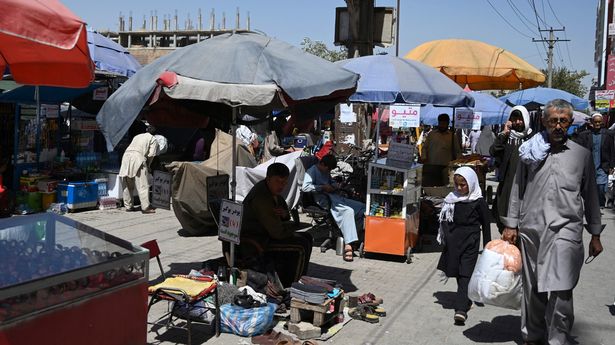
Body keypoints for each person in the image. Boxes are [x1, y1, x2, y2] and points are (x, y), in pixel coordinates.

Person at [501, 99, 604, 345]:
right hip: (532, 230)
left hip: (567, 232)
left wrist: (596, 234)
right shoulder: (530, 151)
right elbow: (518, 188)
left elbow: (591, 197)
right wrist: (511, 224)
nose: (558, 125)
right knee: (533, 289)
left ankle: (558, 339)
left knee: (562, 289)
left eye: (563, 121)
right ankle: (533, 336)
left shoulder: (582, 155)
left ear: (570, 123)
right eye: (553, 121)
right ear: (545, 122)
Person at [239, 163, 313, 287]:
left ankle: (296, 277)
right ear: (268, 179)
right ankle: (292, 285)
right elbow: (277, 233)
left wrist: (284, 215)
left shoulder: (272, 191)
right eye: (277, 181)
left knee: (307, 237)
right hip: (257, 239)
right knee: (301, 246)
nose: (281, 185)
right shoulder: (262, 196)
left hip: (268, 232)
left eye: (284, 182)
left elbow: (285, 214)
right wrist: (293, 227)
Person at [436, 167, 491, 325]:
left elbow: (486, 224)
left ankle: (460, 310)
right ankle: (466, 299)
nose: (459, 188)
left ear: (472, 184)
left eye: (463, 185)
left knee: (466, 272)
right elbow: (445, 220)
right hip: (454, 242)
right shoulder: (451, 199)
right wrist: (445, 238)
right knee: (458, 272)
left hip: (471, 241)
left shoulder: (479, 202)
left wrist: (487, 246)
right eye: (457, 185)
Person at [301, 154, 365, 262]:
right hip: (325, 200)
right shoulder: (312, 171)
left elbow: (331, 181)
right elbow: (305, 187)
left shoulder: (325, 171)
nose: (328, 171)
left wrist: (335, 185)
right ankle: (348, 244)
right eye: (328, 169)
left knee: (362, 207)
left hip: (335, 197)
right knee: (348, 211)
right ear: (322, 164)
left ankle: (354, 236)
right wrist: (322, 187)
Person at [489, 106, 534, 232]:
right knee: (503, 216)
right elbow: (493, 151)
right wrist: (504, 133)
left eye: (520, 119)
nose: (518, 122)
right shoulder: (506, 138)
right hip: (507, 184)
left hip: (526, 186)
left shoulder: (532, 138)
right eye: (514, 119)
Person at [573, 113, 612, 207]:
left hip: (603, 166)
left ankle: (600, 203)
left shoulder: (608, 135)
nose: (597, 124)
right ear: (592, 122)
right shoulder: (584, 135)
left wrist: (611, 166)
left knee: (601, 186)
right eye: (595, 122)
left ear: (602, 122)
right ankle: (592, 205)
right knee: (589, 187)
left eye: (599, 122)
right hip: (589, 165)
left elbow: (612, 151)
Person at [118, 125, 160, 214]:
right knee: (143, 185)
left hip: (126, 156)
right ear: (155, 134)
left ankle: (128, 206)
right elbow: (151, 155)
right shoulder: (153, 139)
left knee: (127, 183)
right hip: (138, 158)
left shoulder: (138, 136)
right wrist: (148, 165)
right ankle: (145, 207)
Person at [420, 114, 462, 187]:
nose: (442, 125)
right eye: (441, 123)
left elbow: (457, 151)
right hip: (431, 166)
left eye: (444, 124)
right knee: (431, 187)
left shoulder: (452, 136)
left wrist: (458, 162)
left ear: (448, 123)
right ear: (438, 123)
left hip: (446, 167)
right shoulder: (432, 134)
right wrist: (424, 157)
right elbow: (424, 148)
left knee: (444, 187)